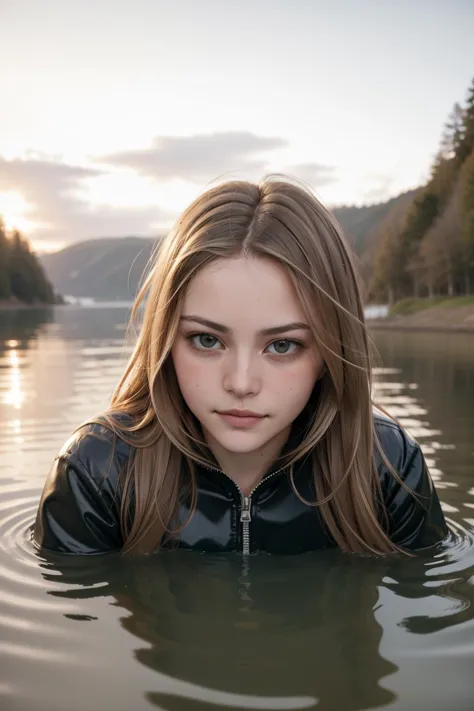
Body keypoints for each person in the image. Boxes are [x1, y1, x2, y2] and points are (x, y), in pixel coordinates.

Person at [33, 176, 448, 557]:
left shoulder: (387, 466)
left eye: (283, 345)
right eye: (207, 340)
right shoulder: (97, 469)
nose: (242, 383)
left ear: (329, 352)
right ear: (165, 340)